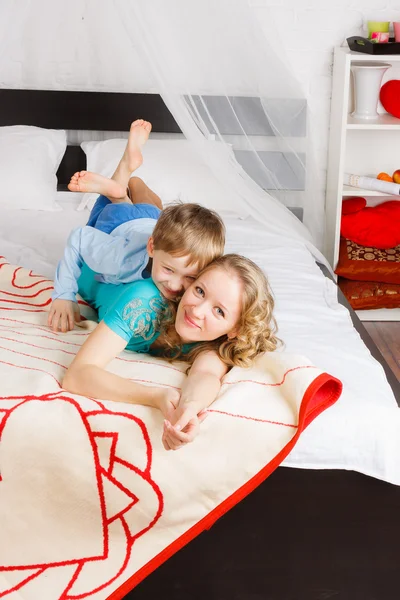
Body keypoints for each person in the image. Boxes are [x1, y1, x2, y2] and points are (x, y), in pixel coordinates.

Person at [62, 253, 279, 451]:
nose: (197, 310)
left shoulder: (215, 342)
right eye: (200, 291)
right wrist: (155, 396)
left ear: (235, 330)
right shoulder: (144, 303)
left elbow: (206, 376)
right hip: (89, 263)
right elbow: (76, 376)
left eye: (219, 311)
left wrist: (189, 410)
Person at [48, 119, 225, 332]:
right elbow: (79, 237)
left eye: (191, 277)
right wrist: (64, 295)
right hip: (117, 222)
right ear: (151, 248)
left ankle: (126, 185)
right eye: (168, 270)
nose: (176, 286)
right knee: (99, 218)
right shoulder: (120, 258)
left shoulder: (180, 248)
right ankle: (120, 184)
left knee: (154, 203)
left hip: (152, 219)